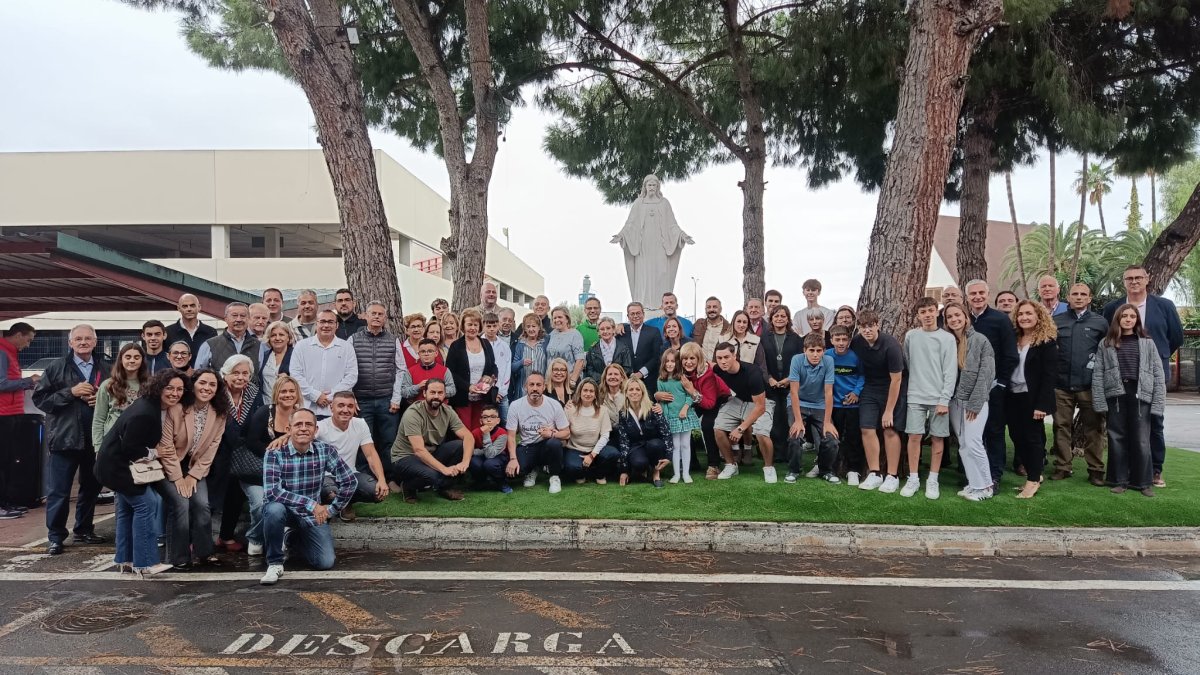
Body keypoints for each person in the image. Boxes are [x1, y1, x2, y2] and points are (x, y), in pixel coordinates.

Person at [94, 369, 184, 578]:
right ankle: (146, 562)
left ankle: (125, 560)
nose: (175, 393)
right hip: (118, 468)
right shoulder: (146, 412)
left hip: (111, 466)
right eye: (169, 388)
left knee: (126, 510)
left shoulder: (148, 405)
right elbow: (131, 447)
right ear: (158, 387)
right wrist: (155, 452)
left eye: (179, 389)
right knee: (147, 504)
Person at [1102, 264, 1183, 488]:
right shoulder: (1112, 307)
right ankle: (1126, 472)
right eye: (1129, 278)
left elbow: (1176, 337)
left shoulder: (1164, 306)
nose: (1134, 281)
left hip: (1153, 375)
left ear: (1147, 279)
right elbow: (1106, 336)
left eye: (1139, 277)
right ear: (1124, 281)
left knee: (1154, 422)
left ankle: (1155, 470)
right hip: (1121, 376)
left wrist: (1157, 357)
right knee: (1122, 424)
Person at [33, 324, 110, 555]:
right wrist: (71, 393)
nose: (83, 342)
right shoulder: (57, 367)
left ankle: (84, 530)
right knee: (59, 490)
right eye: (79, 339)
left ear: (95, 342)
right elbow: (41, 400)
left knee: (91, 488)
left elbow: (118, 398)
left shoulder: (106, 367)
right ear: (70, 343)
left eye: (88, 338)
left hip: (95, 440)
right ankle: (55, 536)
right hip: (65, 439)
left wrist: (102, 400)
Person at [260, 408, 357, 585]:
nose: (303, 428)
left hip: (312, 516)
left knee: (325, 562)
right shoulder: (274, 453)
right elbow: (272, 491)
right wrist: (311, 504)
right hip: (285, 510)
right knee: (273, 509)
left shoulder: (326, 450)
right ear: (288, 429)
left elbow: (350, 481)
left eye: (308, 425)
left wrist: (332, 510)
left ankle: (292, 538)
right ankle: (274, 563)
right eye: (298, 424)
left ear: (316, 430)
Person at [1092, 304, 1166, 497]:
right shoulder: (1106, 343)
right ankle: (1119, 480)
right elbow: (1098, 374)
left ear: (1137, 320)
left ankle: (1143, 482)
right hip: (1116, 395)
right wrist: (1099, 401)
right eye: (1124, 316)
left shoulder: (1147, 343)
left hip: (1141, 394)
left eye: (1132, 316)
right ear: (1118, 318)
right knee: (1117, 438)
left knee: (1141, 439)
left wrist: (1158, 402)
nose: (1128, 319)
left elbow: (1158, 374)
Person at [157, 368, 228, 568]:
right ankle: (178, 558)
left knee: (202, 505)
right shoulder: (177, 408)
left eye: (212, 384)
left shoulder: (220, 414)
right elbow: (166, 446)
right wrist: (178, 478)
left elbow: (211, 450)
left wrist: (193, 476)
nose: (207, 388)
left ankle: (204, 552)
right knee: (181, 505)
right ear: (193, 384)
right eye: (202, 383)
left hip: (195, 467)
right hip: (170, 464)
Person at [1052, 283, 1110, 484]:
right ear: (1068, 297)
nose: (1078, 297)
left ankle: (1095, 470)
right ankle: (1062, 467)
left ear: (1089, 298)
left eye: (1083, 294)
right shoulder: (1056, 321)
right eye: (1074, 294)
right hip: (1061, 385)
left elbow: (1107, 353)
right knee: (1061, 426)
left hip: (1089, 385)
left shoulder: (1100, 323)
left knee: (1094, 428)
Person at [901, 297, 958, 499]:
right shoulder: (911, 336)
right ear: (918, 315)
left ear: (937, 312)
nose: (927, 315)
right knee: (914, 436)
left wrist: (944, 399)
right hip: (915, 395)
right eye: (923, 312)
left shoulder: (947, 338)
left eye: (931, 310)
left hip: (938, 397)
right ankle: (914, 477)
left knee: (937, 437)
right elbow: (908, 361)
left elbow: (951, 371)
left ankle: (933, 479)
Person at [965, 279, 1019, 489]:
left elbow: (1010, 355)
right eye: (973, 294)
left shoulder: (1000, 320)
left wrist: (1002, 383)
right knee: (970, 433)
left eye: (981, 293)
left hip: (993, 386)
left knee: (994, 431)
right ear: (967, 296)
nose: (977, 297)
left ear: (988, 295)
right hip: (967, 388)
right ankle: (971, 474)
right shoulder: (963, 319)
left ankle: (994, 475)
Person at [611, 174, 694, 307]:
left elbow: (672, 225)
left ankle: (660, 305)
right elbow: (630, 224)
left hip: (660, 247)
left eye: (654, 185)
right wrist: (621, 235)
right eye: (649, 185)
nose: (651, 188)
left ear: (657, 187)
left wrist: (682, 235)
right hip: (643, 247)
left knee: (661, 275)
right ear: (645, 186)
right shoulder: (639, 203)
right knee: (643, 277)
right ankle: (643, 305)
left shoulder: (664, 203)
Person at [942, 302, 996, 501]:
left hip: (975, 401)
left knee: (974, 443)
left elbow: (986, 374)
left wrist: (975, 403)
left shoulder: (980, 340)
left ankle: (986, 486)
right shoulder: (949, 342)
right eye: (950, 317)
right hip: (955, 401)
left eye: (958, 315)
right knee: (963, 444)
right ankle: (974, 484)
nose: (954, 319)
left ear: (966, 317)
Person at [242, 375, 301, 556]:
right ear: (276, 393)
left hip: (288, 474)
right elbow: (251, 441)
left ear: (297, 394)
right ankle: (255, 537)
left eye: (291, 391)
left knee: (285, 506)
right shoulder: (265, 412)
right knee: (260, 504)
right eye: (283, 391)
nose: (287, 395)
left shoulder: (301, 415)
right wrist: (273, 454)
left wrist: (285, 437)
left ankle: (281, 534)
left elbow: (310, 435)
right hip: (257, 472)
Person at [1006, 300, 1058, 499]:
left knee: (1033, 439)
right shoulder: (1014, 338)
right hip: (1013, 395)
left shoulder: (1046, 341)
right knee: (1016, 436)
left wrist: (1042, 405)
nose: (1024, 317)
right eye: (1021, 314)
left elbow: (1049, 376)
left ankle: (1033, 479)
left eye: (1029, 314)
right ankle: (1034, 473)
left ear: (1039, 316)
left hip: (1033, 398)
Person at [850, 311, 906, 493]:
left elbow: (897, 380)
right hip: (870, 388)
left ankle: (892, 476)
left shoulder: (891, 346)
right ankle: (874, 473)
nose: (867, 330)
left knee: (889, 429)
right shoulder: (857, 342)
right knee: (866, 428)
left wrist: (889, 410)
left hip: (892, 387)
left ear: (877, 325)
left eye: (870, 326)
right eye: (863, 326)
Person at [390, 378, 472, 502]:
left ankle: (444, 486)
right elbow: (418, 450)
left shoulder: (448, 411)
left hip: (429, 453)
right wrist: (444, 469)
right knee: (431, 475)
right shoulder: (413, 413)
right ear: (424, 394)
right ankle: (408, 487)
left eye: (440, 393)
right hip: (405, 457)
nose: (436, 396)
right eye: (432, 392)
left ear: (445, 394)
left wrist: (465, 462)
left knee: (460, 445)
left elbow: (468, 436)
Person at [212, 356, 261, 552]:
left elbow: (255, 422)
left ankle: (225, 536)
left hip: (242, 452)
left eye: (245, 373)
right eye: (236, 373)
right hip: (217, 451)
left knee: (235, 494)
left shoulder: (253, 392)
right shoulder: (216, 392)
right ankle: (198, 539)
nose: (240, 377)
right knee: (211, 498)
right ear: (226, 374)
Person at [317, 391, 389, 520]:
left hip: (350, 475)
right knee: (331, 493)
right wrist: (283, 438)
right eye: (341, 405)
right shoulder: (320, 427)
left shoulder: (360, 424)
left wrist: (382, 480)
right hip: (325, 477)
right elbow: (300, 440)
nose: (345, 410)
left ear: (355, 408)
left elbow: (371, 455)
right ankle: (333, 505)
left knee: (376, 492)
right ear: (331, 408)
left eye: (350, 406)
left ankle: (346, 502)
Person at [712, 342, 776, 482]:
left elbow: (760, 407)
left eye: (727, 357)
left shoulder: (752, 372)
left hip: (762, 402)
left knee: (761, 432)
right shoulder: (718, 368)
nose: (723, 361)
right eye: (719, 358)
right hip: (739, 400)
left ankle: (769, 468)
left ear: (735, 356)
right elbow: (707, 366)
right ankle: (731, 465)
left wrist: (740, 428)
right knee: (718, 428)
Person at [350, 301, 404, 456]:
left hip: (386, 400)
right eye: (373, 313)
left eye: (380, 314)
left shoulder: (393, 340)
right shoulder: (353, 340)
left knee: (389, 441)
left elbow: (401, 370)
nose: (376, 317)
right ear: (366, 316)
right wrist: (351, 397)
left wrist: (396, 398)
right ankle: (367, 477)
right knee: (363, 441)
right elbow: (346, 370)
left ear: (385, 318)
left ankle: (390, 477)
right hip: (362, 402)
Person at [787, 333, 840, 484]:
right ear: (805, 350)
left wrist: (828, 422)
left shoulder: (828, 361)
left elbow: (829, 392)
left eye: (819, 350)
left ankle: (825, 470)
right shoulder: (796, 360)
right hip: (799, 402)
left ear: (824, 351)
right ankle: (794, 470)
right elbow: (793, 392)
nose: (815, 354)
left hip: (819, 405)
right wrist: (798, 420)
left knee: (831, 439)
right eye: (811, 350)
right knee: (795, 435)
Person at [505, 372, 569, 494]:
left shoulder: (554, 404)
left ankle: (554, 476)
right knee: (514, 473)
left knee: (554, 444)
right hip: (527, 446)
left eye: (538, 385)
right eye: (531, 385)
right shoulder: (515, 405)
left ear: (544, 387)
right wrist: (513, 459)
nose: (535, 388)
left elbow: (567, 433)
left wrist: (551, 434)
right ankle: (533, 469)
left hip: (546, 445)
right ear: (525, 387)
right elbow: (511, 436)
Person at [0, 323, 39, 518]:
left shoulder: (9, 352)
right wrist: (29, 381)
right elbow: (2, 383)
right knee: (3, 460)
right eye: (28, 339)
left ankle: (6, 502)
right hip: (3, 414)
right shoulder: (2, 353)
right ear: (17, 334)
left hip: (10, 413)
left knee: (8, 460)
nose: (28, 345)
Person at [291, 309, 358, 419]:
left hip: (336, 410)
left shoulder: (346, 348)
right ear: (316, 324)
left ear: (337, 325)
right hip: (307, 409)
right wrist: (315, 396)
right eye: (322, 321)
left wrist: (332, 396)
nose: (326, 325)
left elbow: (351, 376)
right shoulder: (301, 346)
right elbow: (295, 375)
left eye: (330, 322)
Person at [760, 306, 803, 473]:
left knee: (787, 418)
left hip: (789, 384)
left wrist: (789, 379)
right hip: (770, 384)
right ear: (771, 319)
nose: (779, 318)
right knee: (774, 419)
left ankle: (788, 453)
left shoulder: (796, 339)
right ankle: (776, 453)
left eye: (783, 316)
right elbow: (761, 362)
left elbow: (799, 361)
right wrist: (769, 378)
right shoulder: (764, 338)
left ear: (788, 319)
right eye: (776, 316)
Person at [680, 342, 732, 479]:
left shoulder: (708, 374)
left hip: (718, 399)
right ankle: (691, 462)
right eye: (685, 359)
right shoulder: (682, 373)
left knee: (707, 425)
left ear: (699, 359)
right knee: (683, 422)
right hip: (697, 398)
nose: (688, 362)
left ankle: (713, 465)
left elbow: (709, 404)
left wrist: (691, 390)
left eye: (692, 358)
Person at [446, 309, 498, 430]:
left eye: (475, 325)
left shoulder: (485, 343)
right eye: (469, 324)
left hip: (482, 397)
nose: (473, 328)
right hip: (463, 397)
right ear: (463, 326)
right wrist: (468, 386)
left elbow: (493, 366)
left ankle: (477, 450)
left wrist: (491, 377)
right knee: (465, 430)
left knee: (479, 429)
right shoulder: (456, 346)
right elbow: (450, 372)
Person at [91, 343, 149, 451]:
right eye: (128, 357)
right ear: (121, 359)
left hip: (140, 442)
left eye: (137, 357)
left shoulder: (149, 385)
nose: (132, 360)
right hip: (112, 442)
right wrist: (98, 447)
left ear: (142, 361)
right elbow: (99, 419)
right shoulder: (108, 385)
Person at [616, 378, 673, 487]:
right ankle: (645, 468)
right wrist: (624, 470)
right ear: (626, 393)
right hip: (636, 446)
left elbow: (666, 433)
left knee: (655, 445)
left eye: (637, 389)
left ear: (642, 392)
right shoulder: (623, 414)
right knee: (639, 463)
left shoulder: (654, 408)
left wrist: (669, 457)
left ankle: (656, 473)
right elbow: (624, 441)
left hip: (654, 444)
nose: (634, 392)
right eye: (631, 389)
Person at [826, 325, 864, 483]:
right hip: (834, 405)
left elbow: (862, 376)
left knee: (854, 438)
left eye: (844, 339)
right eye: (837, 339)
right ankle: (832, 468)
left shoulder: (855, 357)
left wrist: (856, 392)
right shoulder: (827, 356)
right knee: (834, 437)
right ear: (832, 340)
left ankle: (854, 470)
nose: (841, 342)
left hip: (852, 405)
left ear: (849, 341)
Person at [563, 379, 619, 485]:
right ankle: (581, 473)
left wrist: (592, 455)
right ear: (579, 392)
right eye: (585, 390)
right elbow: (564, 430)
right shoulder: (570, 409)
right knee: (572, 467)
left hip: (595, 449)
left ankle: (599, 473)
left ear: (595, 394)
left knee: (613, 454)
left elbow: (605, 436)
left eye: (591, 391)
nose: (588, 394)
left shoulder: (602, 410)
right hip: (575, 449)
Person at [657, 349, 700, 484]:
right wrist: (665, 417)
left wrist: (685, 409)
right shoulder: (661, 380)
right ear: (663, 363)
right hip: (671, 418)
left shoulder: (682, 378)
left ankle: (686, 474)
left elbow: (690, 396)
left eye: (673, 361)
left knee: (686, 444)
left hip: (684, 416)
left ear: (677, 363)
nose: (670, 364)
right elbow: (662, 401)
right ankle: (676, 474)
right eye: (667, 361)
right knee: (675, 446)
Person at [195, 302, 261, 371]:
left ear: (248, 319)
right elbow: (199, 373)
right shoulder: (209, 345)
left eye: (243, 316)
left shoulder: (258, 345)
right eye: (234, 315)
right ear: (226, 319)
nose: (239, 319)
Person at [618, 302, 663, 395]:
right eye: (632, 314)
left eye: (638, 313)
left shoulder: (654, 332)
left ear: (643, 314)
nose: (635, 316)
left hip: (648, 381)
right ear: (628, 316)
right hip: (626, 380)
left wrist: (641, 373)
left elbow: (657, 357)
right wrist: (629, 373)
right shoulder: (621, 332)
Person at [165, 294, 217, 368]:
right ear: (179, 308)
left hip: (202, 377)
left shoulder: (211, 332)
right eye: (185, 306)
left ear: (199, 307)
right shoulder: (168, 332)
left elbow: (214, 359)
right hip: (176, 377)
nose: (189, 309)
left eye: (192, 305)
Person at [468, 404, 511, 491]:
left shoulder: (502, 433)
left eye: (492, 417)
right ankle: (481, 481)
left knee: (490, 463)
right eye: (485, 417)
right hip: (483, 457)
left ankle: (502, 482)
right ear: (481, 421)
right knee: (473, 461)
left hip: (499, 458)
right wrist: (479, 452)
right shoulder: (475, 433)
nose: (488, 420)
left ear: (498, 420)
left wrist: (486, 434)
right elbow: (470, 451)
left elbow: (490, 454)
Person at [398, 339, 455, 404]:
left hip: (440, 408)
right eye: (423, 351)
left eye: (430, 351)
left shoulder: (445, 370)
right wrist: (418, 387)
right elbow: (404, 392)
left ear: (436, 353)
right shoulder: (410, 371)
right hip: (417, 409)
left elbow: (452, 390)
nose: (426, 354)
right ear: (419, 354)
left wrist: (437, 389)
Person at [546, 306, 586, 388]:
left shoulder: (575, 335)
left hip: (568, 382)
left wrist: (573, 380)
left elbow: (580, 360)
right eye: (554, 318)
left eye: (560, 317)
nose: (557, 320)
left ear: (567, 319)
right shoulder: (551, 335)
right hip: (552, 382)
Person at [511, 312, 548, 399]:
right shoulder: (520, 344)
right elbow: (513, 368)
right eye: (528, 326)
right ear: (524, 329)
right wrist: (521, 362)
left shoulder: (545, 342)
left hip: (542, 387)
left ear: (539, 327)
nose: (531, 329)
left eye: (534, 326)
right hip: (523, 388)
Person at [483, 313, 512, 424]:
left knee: (505, 421)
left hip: (501, 392)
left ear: (498, 326)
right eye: (488, 326)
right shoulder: (479, 343)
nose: (491, 329)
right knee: (487, 420)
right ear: (483, 325)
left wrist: (501, 392)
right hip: (484, 392)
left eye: (494, 326)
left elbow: (507, 370)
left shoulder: (504, 346)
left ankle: (507, 441)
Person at [584, 317, 632, 383]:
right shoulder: (592, 350)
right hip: (600, 386)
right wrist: (604, 379)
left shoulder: (623, 348)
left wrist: (614, 378)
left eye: (608, 328)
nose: (605, 331)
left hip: (619, 386)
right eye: (602, 329)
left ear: (613, 330)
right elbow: (589, 370)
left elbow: (627, 368)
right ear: (598, 332)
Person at [259, 321, 296, 406]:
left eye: (281, 335)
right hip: (266, 404)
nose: (277, 338)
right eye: (273, 335)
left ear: (288, 337)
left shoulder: (296, 355)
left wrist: (290, 379)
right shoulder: (264, 355)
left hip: (289, 405)